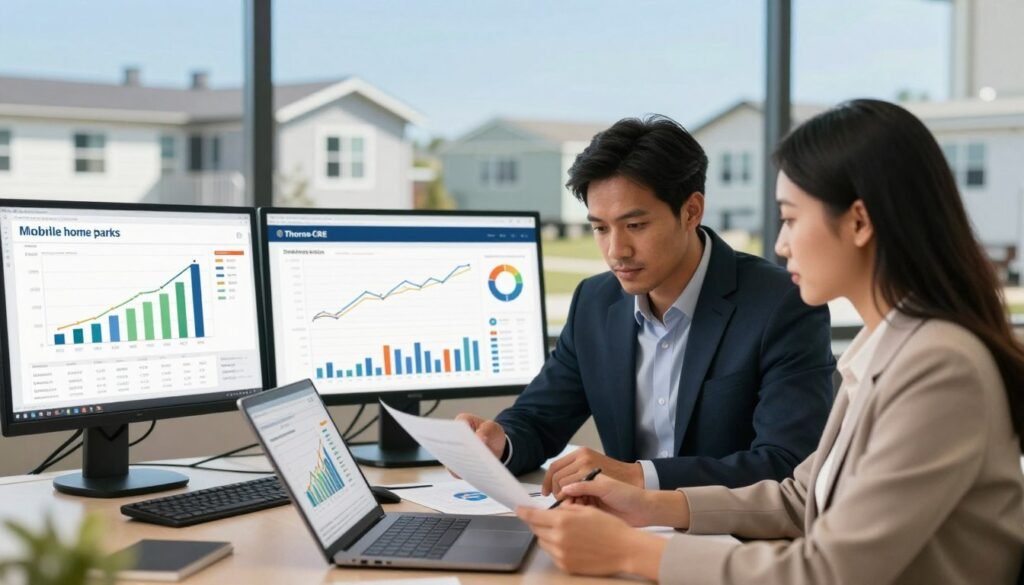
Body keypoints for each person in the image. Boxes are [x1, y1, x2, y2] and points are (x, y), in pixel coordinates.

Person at [515, 99, 1024, 584]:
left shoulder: (939, 368)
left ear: (859, 222)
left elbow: (829, 572)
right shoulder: (885, 348)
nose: (781, 243)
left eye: (791, 218)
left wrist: (631, 551)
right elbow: (802, 498)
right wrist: (647, 503)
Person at [457, 115, 835, 493]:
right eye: (600, 228)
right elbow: (539, 419)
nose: (616, 251)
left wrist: (640, 477)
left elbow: (787, 462)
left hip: (726, 527)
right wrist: (501, 442)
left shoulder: (781, 304)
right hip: (620, 524)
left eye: (635, 226)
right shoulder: (594, 302)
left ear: (691, 211)